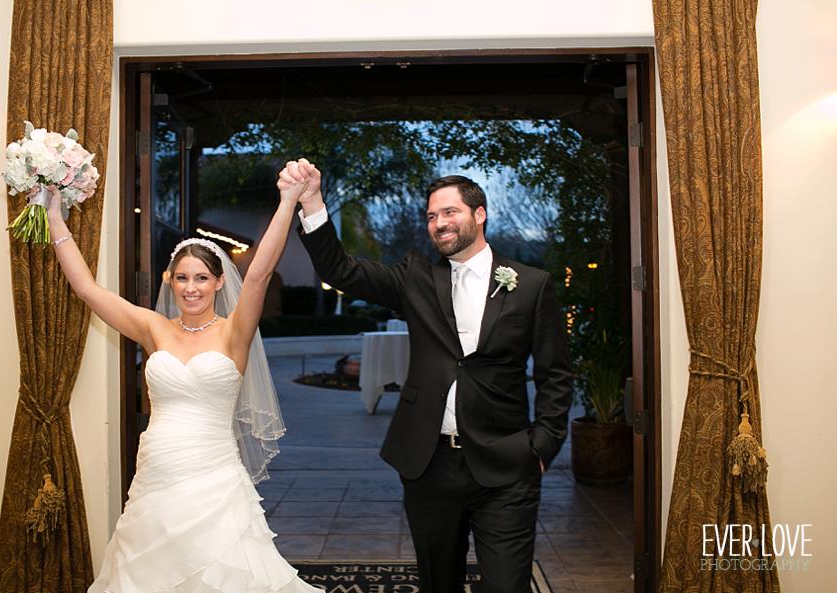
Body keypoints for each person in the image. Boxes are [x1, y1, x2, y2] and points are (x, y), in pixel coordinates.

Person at [289, 159, 573, 593]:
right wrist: (312, 202)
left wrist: (543, 446)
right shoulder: (415, 278)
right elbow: (342, 271)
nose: (439, 223)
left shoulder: (531, 284)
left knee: (506, 586)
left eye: (449, 212)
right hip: (429, 464)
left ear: (479, 214)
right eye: (431, 216)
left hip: (507, 464)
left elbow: (555, 373)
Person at [46, 162, 322, 592]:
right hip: (157, 474)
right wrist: (53, 215)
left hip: (215, 478)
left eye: (201, 278)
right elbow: (87, 289)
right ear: (170, 281)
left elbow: (260, 273)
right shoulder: (153, 328)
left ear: (218, 283)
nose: (191, 288)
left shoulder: (234, 333)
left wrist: (287, 202)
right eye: (182, 278)